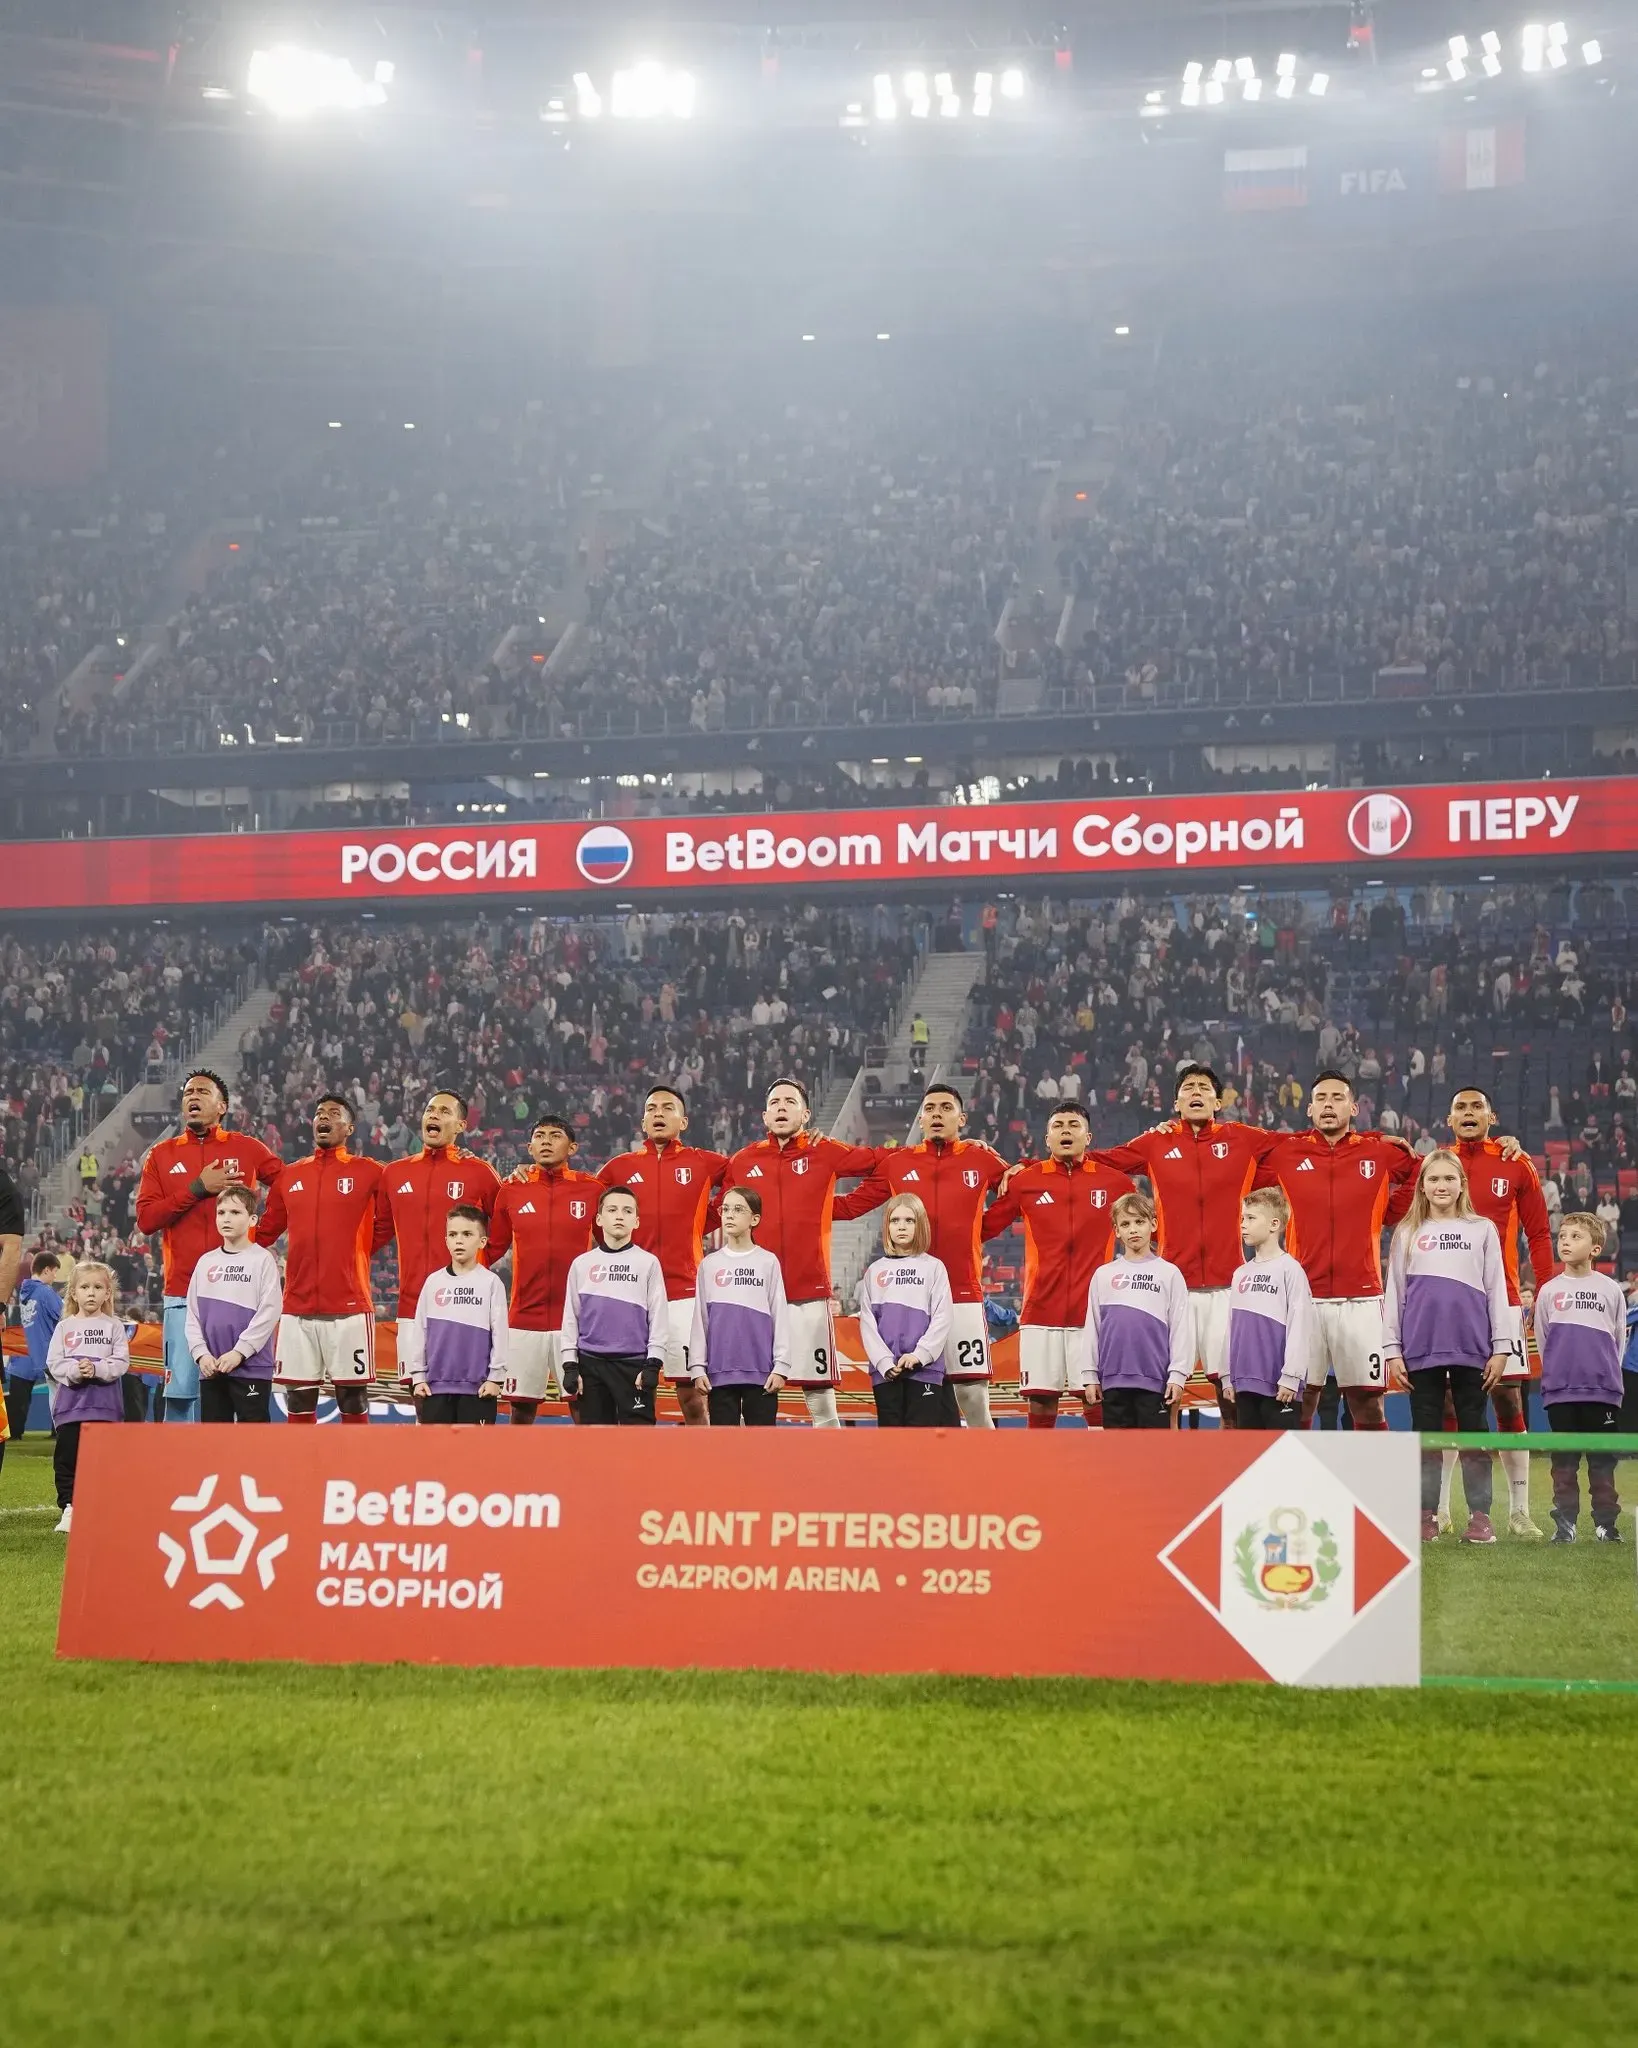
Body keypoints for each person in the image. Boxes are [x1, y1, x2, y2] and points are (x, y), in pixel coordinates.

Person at [1092, 1065, 1285, 1424]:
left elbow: (1303, 1143)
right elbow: (1101, 1160)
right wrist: (1023, 1167)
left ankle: (1234, 1463)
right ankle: (1169, 1469)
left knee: (1231, 1390)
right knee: (1166, 1389)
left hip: (1227, 1286)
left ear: (1217, 1100)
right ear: (1176, 1102)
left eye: (1204, 1087)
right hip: (1168, 1286)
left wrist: (1373, 1141)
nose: (1196, 1092)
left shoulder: (1242, 1137)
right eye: (1188, 1087)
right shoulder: (1155, 1142)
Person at [834, 1082, 1008, 1428]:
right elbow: (853, 1205)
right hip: (909, 1302)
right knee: (924, 1397)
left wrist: (980, 1230)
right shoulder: (899, 1163)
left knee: (972, 1398)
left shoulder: (982, 1158)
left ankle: (990, 1475)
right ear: (921, 1118)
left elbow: (1019, 1191)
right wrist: (801, 1205)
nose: (937, 1114)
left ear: (962, 1118)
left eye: (946, 1107)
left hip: (963, 1297)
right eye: (929, 1109)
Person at [724, 1079, 877, 1430]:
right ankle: (759, 1474)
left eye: (789, 1101)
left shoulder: (825, 1151)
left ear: (805, 1114)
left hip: (808, 1294)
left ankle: (833, 1472)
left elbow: (883, 1166)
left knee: (819, 1395)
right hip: (752, 1298)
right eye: (774, 1101)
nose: (781, 1107)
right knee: (754, 1394)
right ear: (764, 1115)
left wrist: (837, 1207)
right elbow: (715, 1207)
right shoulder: (743, 1160)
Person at [1271, 1070, 1419, 1432]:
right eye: (1321, 1098)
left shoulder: (1378, 1152)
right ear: (1309, 1109)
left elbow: (1422, 1171)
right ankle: (1299, 1488)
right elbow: (1237, 1166)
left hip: (1363, 1300)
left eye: (1337, 1098)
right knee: (1299, 1399)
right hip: (1302, 1298)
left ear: (1353, 1107)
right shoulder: (1286, 1153)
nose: (1328, 1105)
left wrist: (1389, 1211)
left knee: (1368, 1404)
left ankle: (1369, 1488)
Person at [135, 1070, 282, 1423]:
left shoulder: (247, 1148)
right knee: (181, 1394)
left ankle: (240, 1472)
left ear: (222, 1106)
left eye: (202, 1091)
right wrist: (197, 1188)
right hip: (183, 1293)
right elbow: (147, 1219)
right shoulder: (162, 1155)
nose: (192, 1096)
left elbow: (291, 1187)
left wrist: (259, 1236)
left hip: (241, 1294)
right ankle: (182, 1474)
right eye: (187, 1092)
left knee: (239, 1395)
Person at [1382, 1152, 1511, 1545]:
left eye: (1448, 1178)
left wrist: (1501, 1347)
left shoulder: (1483, 1229)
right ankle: (1425, 1517)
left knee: (1475, 1432)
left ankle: (1480, 1517)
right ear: (1422, 1185)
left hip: (1473, 1348)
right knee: (1426, 1436)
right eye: (1433, 1178)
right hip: (1420, 1348)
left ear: (1461, 1184)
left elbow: (1496, 1289)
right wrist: (1392, 1349)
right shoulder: (1407, 1232)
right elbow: (1396, 1294)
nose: (1441, 1186)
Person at [981, 1104, 1136, 1429]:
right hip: (1039, 1312)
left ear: (1088, 1136)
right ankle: (1040, 1475)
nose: (1066, 1130)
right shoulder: (1026, 1182)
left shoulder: (1116, 1184)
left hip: (1094, 1314)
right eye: (1059, 1125)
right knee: (1040, 1400)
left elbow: (1147, 1231)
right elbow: (982, 1228)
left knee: (1095, 1397)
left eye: (1074, 1125)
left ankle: (1101, 1471)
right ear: (1047, 1138)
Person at [1444, 1086, 1554, 1537]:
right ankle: (1441, 1511)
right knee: (1448, 1401)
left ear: (1492, 1116)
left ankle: (1519, 1511)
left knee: (1508, 1399)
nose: (1468, 1113)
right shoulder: (1435, 1166)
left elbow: (1541, 1235)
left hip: (1503, 1302)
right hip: (1446, 1307)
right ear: (1449, 1120)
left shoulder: (1514, 1163)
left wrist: (1546, 1293)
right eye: (1460, 1108)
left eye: (1476, 1107)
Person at [256, 1094, 392, 1426]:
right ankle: (302, 1474)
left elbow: (389, 1222)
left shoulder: (370, 1172)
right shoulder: (289, 1176)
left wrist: (355, 1250)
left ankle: (355, 1472)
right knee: (299, 1398)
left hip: (349, 1306)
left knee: (352, 1396)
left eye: (333, 1113)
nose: (324, 1118)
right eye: (319, 1113)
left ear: (349, 1127)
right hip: (297, 1308)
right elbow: (264, 1233)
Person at [598, 1083, 728, 1429]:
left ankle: (703, 1471)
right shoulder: (618, 1168)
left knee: (693, 1396)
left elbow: (743, 1181)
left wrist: (704, 1221)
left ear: (683, 1121)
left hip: (684, 1295)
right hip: (630, 1298)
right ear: (642, 1121)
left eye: (668, 1108)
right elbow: (585, 1204)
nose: (659, 1113)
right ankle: (639, 1471)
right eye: (652, 1108)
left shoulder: (703, 1162)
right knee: (635, 1393)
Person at [384, 1090, 500, 1398]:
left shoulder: (478, 1172)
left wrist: (476, 1266)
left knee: (471, 1395)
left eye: (445, 1112)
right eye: (430, 1110)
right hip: (411, 1304)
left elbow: (503, 1227)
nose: (434, 1115)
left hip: (467, 1306)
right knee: (419, 1395)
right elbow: (378, 1229)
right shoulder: (395, 1173)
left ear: (461, 1126)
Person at [488, 1114, 599, 1424]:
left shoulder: (592, 1190)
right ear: (529, 1146)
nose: (546, 1141)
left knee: (583, 1407)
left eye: (555, 1135)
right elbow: (492, 1248)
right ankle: (516, 1474)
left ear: (573, 1147)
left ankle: (596, 1472)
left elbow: (611, 1248)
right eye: (539, 1136)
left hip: (578, 1320)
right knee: (521, 1409)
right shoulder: (511, 1190)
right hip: (524, 1317)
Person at [1533, 1213, 1626, 1543]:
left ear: (1595, 1248)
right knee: (1564, 1462)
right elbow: (1544, 1341)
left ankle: (1606, 1525)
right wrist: (1559, 1374)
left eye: (1575, 1237)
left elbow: (1618, 1339)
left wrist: (1604, 1376)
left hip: (1602, 1392)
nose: (1565, 1242)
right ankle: (1565, 1524)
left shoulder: (1611, 1290)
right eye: (1562, 1236)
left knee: (1602, 1462)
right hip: (1561, 1392)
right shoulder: (1548, 1292)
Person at [1081, 1193, 1194, 1429]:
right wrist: (1090, 1375)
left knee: (1154, 1459)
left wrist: (1178, 1374)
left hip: (1155, 1382)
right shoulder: (1103, 1275)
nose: (1133, 1229)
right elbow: (1093, 1328)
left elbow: (1182, 1328)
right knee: (1119, 1460)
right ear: (1117, 1231)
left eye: (1139, 1222)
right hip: (1112, 1382)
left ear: (1153, 1224)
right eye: (1126, 1224)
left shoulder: (1169, 1273)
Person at [560, 1187, 669, 1426]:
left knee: (638, 1444)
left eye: (627, 1211)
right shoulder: (582, 1264)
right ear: (599, 1219)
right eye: (612, 1210)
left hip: (634, 1366)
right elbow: (571, 1318)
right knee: (596, 1445)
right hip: (591, 1365)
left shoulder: (648, 1263)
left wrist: (653, 1364)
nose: (619, 1216)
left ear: (636, 1221)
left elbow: (659, 1318)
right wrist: (570, 1365)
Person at [400, 1205, 508, 1425]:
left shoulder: (491, 1283)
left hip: (478, 1390)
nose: (459, 1240)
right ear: (446, 1240)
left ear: (482, 1241)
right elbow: (420, 1331)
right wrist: (418, 1377)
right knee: (438, 1457)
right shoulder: (433, 1282)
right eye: (453, 1234)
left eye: (467, 1234)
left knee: (475, 1457)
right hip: (435, 1388)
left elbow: (500, 1334)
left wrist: (496, 1378)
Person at [691, 1187, 790, 1427]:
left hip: (762, 1374)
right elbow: (700, 1319)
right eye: (725, 1209)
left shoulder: (768, 1261)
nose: (729, 1215)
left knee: (763, 1450)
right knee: (724, 1453)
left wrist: (781, 1366)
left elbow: (780, 1315)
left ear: (754, 1219)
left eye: (738, 1209)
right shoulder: (710, 1264)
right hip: (719, 1373)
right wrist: (697, 1366)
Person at [185, 1185, 283, 1424]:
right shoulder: (205, 1262)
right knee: (215, 1445)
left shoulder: (262, 1260)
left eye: (235, 1213)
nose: (226, 1218)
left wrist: (239, 1353)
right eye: (221, 1212)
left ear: (252, 1220)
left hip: (252, 1368)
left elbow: (270, 1312)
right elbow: (192, 1317)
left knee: (255, 1442)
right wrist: (201, 1355)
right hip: (212, 1368)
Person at [855, 1193, 954, 1428]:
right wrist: (883, 1362)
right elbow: (867, 1323)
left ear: (920, 1225)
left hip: (925, 1371)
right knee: (890, 1445)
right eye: (895, 1220)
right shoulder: (875, 1270)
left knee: (922, 1443)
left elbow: (943, 1317)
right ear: (887, 1225)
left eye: (909, 1220)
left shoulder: (934, 1268)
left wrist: (919, 1355)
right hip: (886, 1373)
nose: (901, 1227)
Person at [43, 1261, 127, 1533]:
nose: (91, 1292)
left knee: (104, 1461)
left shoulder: (114, 1326)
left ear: (107, 1294)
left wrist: (98, 1368)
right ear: (73, 1294)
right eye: (85, 1287)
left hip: (105, 1408)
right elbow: (54, 1363)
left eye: (98, 1287)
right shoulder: (64, 1327)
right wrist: (75, 1371)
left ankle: (102, 1507)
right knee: (67, 1459)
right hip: (71, 1409)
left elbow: (121, 1362)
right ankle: (69, 1508)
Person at [1224, 1187, 1313, 1430]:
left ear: (1274, 1224)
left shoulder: (1291, 1270)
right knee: (1251, 1460)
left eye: (1251, 1218)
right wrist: (1226, 1375)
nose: (1243, 1224)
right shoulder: (1240, 1273)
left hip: (1279, 1385)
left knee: (1281, 1461)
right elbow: (1231, 1328)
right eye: (1242, 1218)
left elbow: (1300, 1326)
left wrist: (1292, 1376)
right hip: (1243, 1384)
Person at [9, 1251, 63, 1448]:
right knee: (64, 1396)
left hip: (40, 1355)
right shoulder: (45, 1293)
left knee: (53, 1394)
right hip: (55, 1353)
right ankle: (65, 1433)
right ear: (46, 1269)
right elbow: (67, 1317)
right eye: (55, 1271)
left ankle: (61, 1431)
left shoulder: (26, 1295)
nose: (55, 1276)